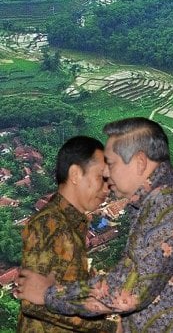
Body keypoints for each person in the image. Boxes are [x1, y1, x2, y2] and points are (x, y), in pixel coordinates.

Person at [16, 117, 173, 332]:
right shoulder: (164, 197)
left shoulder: (169, 201)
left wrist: (48, 294)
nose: (106, 173)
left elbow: (125, 292)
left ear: (139, 162)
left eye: (111, 163)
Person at [17, 136, 117, 332]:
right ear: (75, 174)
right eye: (101, 178)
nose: (107, 188)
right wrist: (107, 327)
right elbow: (32, 301)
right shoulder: (50, 224)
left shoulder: (73, 223)